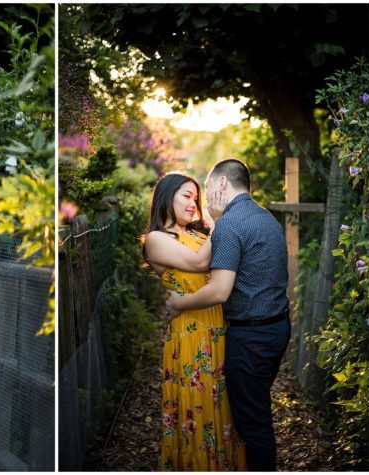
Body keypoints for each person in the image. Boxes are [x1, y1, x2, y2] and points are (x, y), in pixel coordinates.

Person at [166, 159, 291, 471]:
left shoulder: (231, 224)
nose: (204, 199)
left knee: (253, 425)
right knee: (256, 411)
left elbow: (220, 291)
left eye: (206, 189)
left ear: (222, 184)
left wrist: (180, 304)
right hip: (277, 329)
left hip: (251, 337)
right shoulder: (267, 218)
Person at [143, 172, 247, 471]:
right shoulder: (156, 240)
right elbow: (200, 263)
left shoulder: (201, 234)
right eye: (186, 196)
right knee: (198, 407)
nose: (194, 203)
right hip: (191, 335)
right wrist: (219, 219)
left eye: (196, 198)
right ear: (166, 196)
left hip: (221, 330)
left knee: (225, 408)